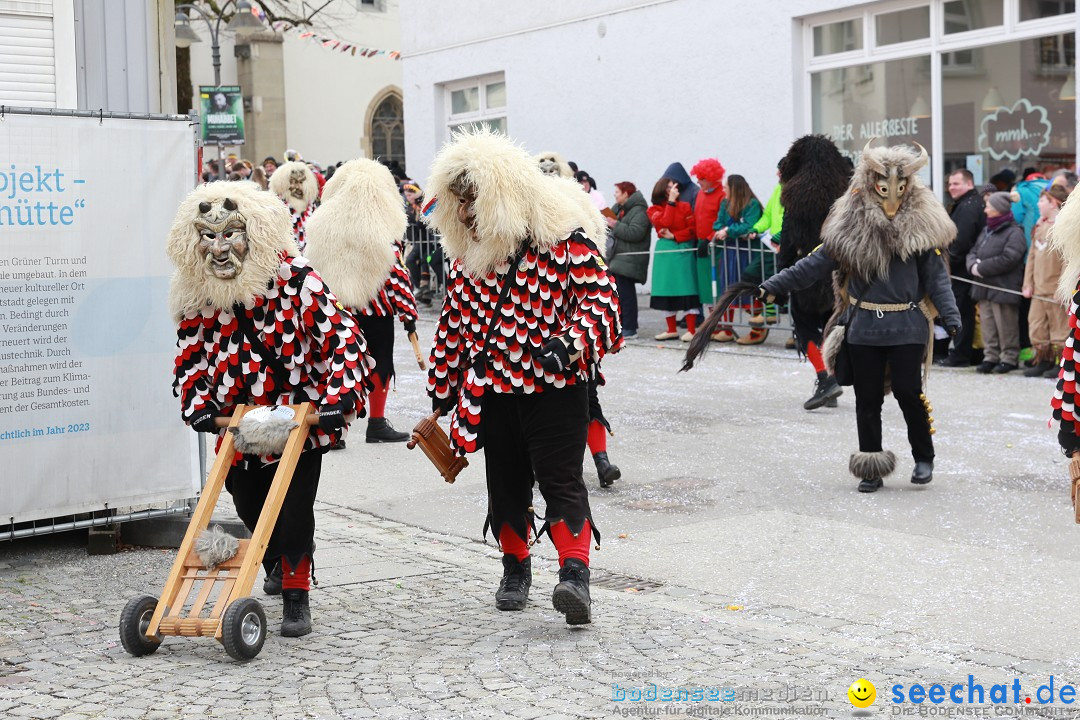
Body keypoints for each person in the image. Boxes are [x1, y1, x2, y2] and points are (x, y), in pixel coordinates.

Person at [424, 128, 621, 625]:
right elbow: (453, 324)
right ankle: (515, 569)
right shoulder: (465, 260)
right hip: (493, 392)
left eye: (476, 200)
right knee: (505, 485)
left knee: (561, 480)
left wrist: (568, 344)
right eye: (460, 202)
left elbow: (603, 305)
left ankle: (575, 575)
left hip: (554, 390)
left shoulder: (563, 245)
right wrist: (442, 390)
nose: (466, 213)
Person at [167, 181, 373, 637]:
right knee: (248, 503)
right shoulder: (195, 291)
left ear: (255, 233)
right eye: (209, 236)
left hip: (298, 420)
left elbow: (345, 339)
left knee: (295, 508)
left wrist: (339, 396)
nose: (219, 248)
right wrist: (199, 402)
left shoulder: (296, 279)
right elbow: (188, 356)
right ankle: (279, 559)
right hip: (239, 424)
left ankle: (297, 593)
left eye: (231, 235)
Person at [737, 142, 960, 493]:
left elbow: (937, 279)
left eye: (899, 189)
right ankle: (871, 465)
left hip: (907, 326)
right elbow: (811, 265)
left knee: (908, 391)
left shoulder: (922, 230)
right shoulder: (849, 230)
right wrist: (769, 286)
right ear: (870, 185)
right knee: (867, 398)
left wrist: (951, 316)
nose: (891, 198)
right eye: (884, 189)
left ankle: (923, 456)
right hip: (864, 328)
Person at [304, 158, 420, 445]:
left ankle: (334, 426)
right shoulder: (382, 228)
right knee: (379, 363)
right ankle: (376, 423)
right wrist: (408, 314)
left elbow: (311, 269)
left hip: (336, 310)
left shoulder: (321, 229)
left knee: (337, 364)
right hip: (376, 309)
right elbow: (396, 275)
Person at [775, 135, 851, 408]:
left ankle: (825, 377)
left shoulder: (796, 195)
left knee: (806, 327)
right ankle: (832, 376)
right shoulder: (847, 191)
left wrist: (779, 280)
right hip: (841, 273)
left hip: (808, 274)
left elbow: (788, 241)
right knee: (833, 328)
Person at [967, 191, 1026, 373]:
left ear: (999, 209)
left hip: (1003, 287)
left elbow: (1010, 258)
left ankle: (1009, 358)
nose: (985, 210)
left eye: (989, 206)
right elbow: (973, 252)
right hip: (984, 287)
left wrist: (981, 268)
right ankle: (990, 356)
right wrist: (972, 266)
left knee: (1006, 324)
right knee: (988, 324)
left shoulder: (1014, 232)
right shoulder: (987, 230)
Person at [938, 169, 986, 368]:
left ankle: (961, 354)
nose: (951, 188)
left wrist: (946, 264)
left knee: (962, 312)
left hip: (962, 270)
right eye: (949, 184)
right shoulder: (967, 203)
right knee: (966, 312)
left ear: (969, 183)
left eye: (956, 184)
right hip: (963, 267)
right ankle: (969, 352)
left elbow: (961, 241)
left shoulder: (968, 206)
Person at [1022, 184, 1071, 377]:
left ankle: (1060, 362)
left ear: (1053, 203)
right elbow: (1031, 257)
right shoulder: (1039, 225)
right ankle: (1043, 358)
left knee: (1059, 326)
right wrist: (1028, 283)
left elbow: (1068, 260)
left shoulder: (1063, 228)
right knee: (1036, 324)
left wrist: (1063, 288)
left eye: (1042, 200)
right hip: (1038, 288)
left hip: (1054, 288)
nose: (1039, 203)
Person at [709, 175, 762, 342]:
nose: (724, 190)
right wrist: (729, 230)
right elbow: (717, 224)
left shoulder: (752, 204)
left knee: (748, 290)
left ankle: (758, 329)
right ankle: (726, 328)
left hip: (746, 253)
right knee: (728, 290)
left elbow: (749, 225)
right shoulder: (725, 204)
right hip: (729, 252)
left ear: (735, 189)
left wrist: (728, 231)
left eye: (726, 187)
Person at [647, 178, 698, 341]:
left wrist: (675, 235)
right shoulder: (653, 209)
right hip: (665, 254)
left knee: (687, 288)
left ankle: (691, 329)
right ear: (662, 190)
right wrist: (670, 203)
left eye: (674, 187)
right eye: (669, 188)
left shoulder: (685, 206)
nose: (673, 190)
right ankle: (671, 329)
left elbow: (692, 230)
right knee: (666, 289)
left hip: (682, 250)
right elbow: (664, 223)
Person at [740, 162, 785, 345]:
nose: (776, 173)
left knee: (787, 285)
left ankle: (792, 332)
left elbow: (792, 218)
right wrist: (755, 228)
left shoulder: (795, 189)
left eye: (780, 170)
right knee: (751, 275)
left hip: (784, 244)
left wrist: (782, 237)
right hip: (771, 244)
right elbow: (767, 216)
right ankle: (767, 312)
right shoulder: (778, 189)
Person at [606, 181, 650, 339]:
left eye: (617, 192)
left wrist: (615, 225)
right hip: (617, 258)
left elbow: (635, 233)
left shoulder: (640, 210)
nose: (615, 195)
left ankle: (630, 327)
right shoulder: (618, 208)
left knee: (626, 295)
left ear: (626, 194)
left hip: (630, 258)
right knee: (617, 294)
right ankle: (621, 325)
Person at [689, 158, 726, 313]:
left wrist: (710, 237)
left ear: (711, 178)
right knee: (706, 288)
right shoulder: (700, 194)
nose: (699, 182)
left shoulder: (722, 195)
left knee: (719, 286)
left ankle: (725, 325)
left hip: (716, 245)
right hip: (702, 244)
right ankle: (712, 324)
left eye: (702, 179)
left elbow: (723, 221)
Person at [403, 182, 443, 305]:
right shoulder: (411, 207)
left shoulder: (424, 204)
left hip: (432, 240)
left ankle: (429, 288)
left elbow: (424, 222)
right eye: (406, 195)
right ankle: (421, 287)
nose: (408, 197)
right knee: (411, 260)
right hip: (420, 240)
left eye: (410, 194)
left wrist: (420, 211)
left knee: (427, 259)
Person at [269, 161, 319, 252]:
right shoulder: (275, 206)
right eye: (294, 182)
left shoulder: (311, 206)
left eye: (301, 182)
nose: (298, 187)